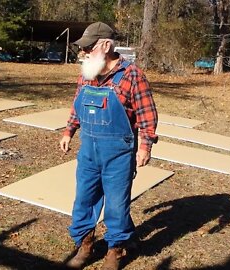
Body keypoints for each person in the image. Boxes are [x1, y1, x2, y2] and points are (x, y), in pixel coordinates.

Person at [59, 22, 158, 270]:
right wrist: (69, 130)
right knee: (84, 199)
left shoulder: (132, 75)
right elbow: (77, 106)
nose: (84, 53)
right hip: (89, 151)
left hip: (119, 154)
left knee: (116, 204)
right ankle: (85, 245)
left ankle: (115, 250)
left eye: (89, 47)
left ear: (105, 45)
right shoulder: (87, 74)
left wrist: (145, 146)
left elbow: (147, 114)